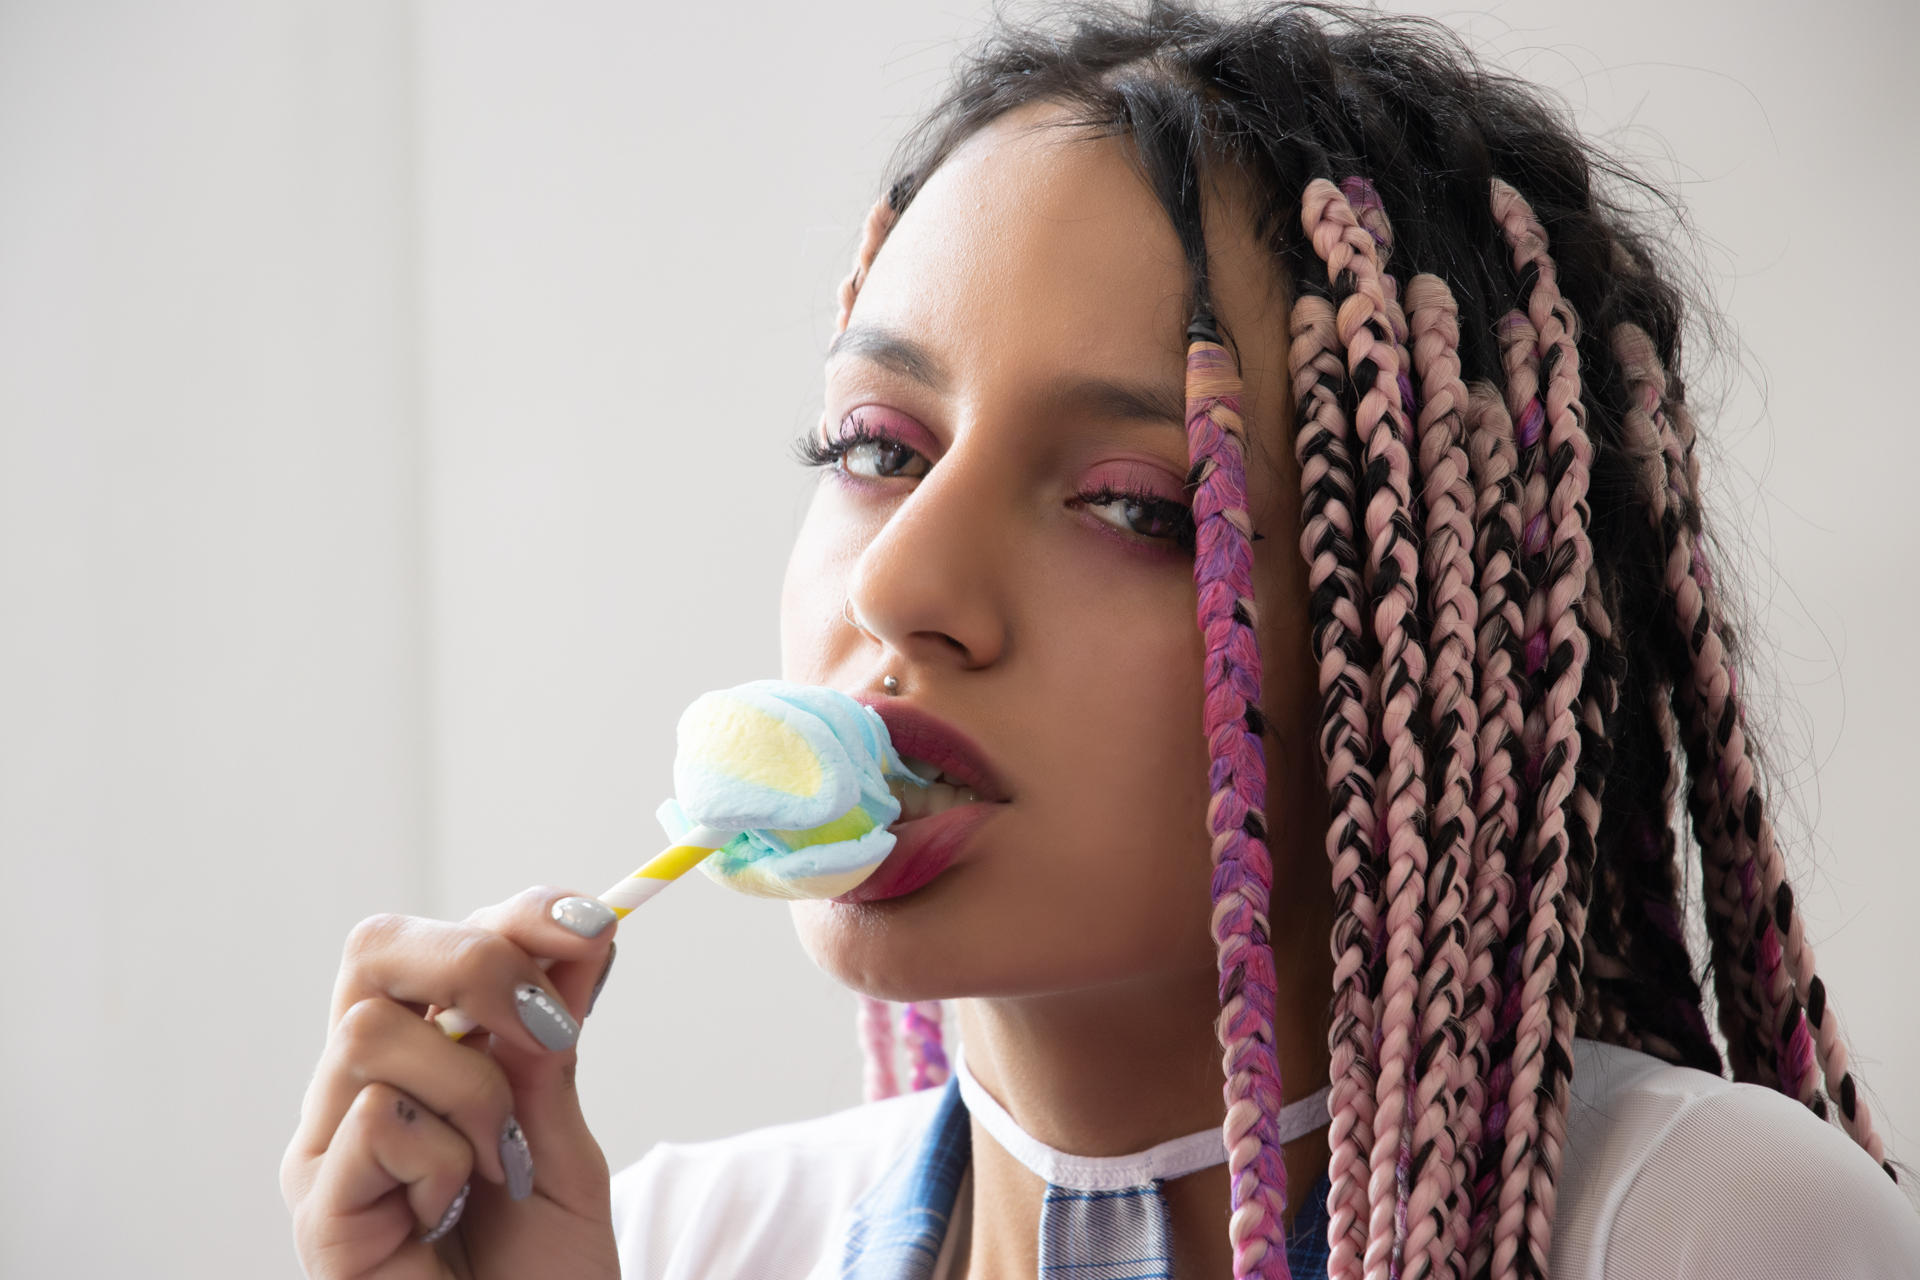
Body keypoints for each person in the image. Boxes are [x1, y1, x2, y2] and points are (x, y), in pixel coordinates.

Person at [280, 3, 1920, 1277]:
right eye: (875, 448)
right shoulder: (660, 1242)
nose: (899, 584)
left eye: (1135, 504)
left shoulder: (1709, 1232)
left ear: (1425, 683)